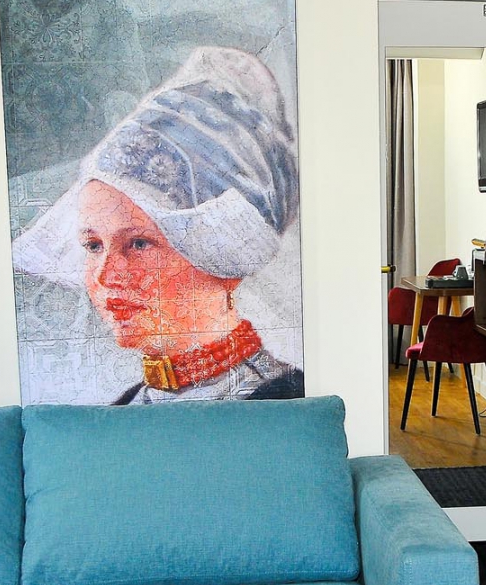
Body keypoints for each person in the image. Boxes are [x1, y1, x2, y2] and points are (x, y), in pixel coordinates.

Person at [15, 46, 302, 404]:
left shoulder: (281, 401)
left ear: (224, 259)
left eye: (138, 243)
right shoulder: (124, 411)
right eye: (93, 245)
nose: (106, 275)